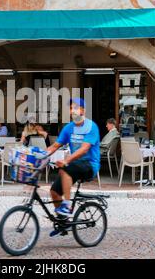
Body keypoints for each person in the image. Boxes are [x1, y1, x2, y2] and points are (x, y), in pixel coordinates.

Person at [46, 98, 100, 236]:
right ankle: (63, 222)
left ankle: (67, 205)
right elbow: (55, 145)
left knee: (66, 169)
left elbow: (84, 149)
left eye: (75, 108)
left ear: (83, 110)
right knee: (54, 192)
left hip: (90, 165)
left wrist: (66, 160)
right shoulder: (68, 128)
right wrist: (39, 156)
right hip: (75, 165)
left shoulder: (91, 126)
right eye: (71, 108)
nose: (72, 111)